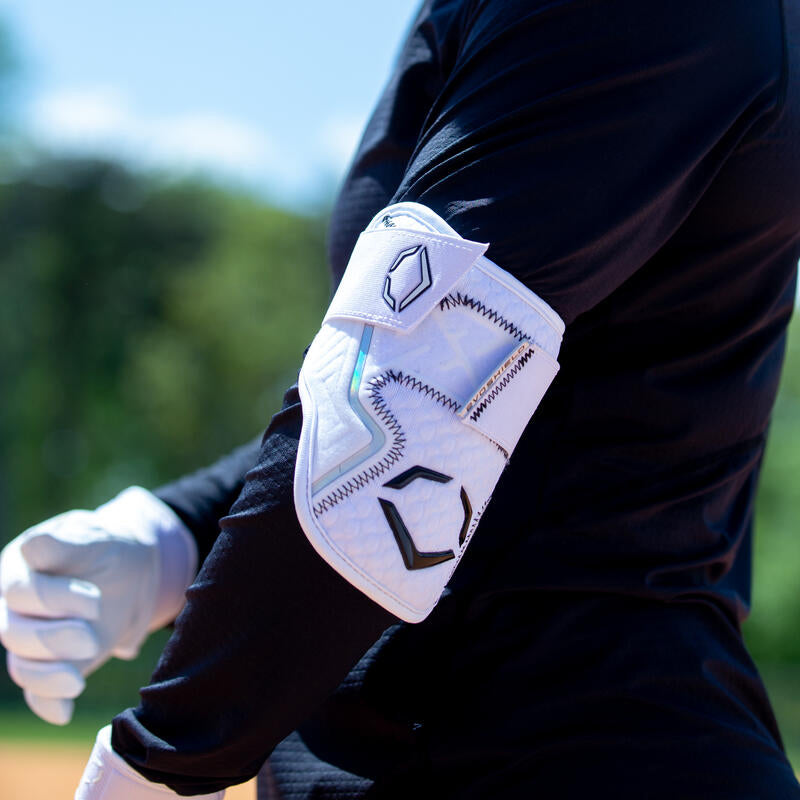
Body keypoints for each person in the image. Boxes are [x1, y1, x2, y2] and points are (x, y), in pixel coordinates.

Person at [1, 0, 800, 797]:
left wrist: (165, 761)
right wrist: (169, 536)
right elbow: (434, 401)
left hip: (563, 750)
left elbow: (411, 416)